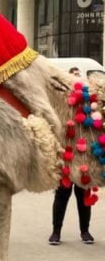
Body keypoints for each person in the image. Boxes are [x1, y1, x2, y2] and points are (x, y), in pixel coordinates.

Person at [48, 66, 94, 245]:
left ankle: (85, 231)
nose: (76, 79)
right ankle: (56, 232)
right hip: (66, 157)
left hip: (83, 159)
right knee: (62, 195)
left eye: (78, 76)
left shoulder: (89, 105)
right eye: (73, 76)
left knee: (84, 196)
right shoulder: (62, 104)